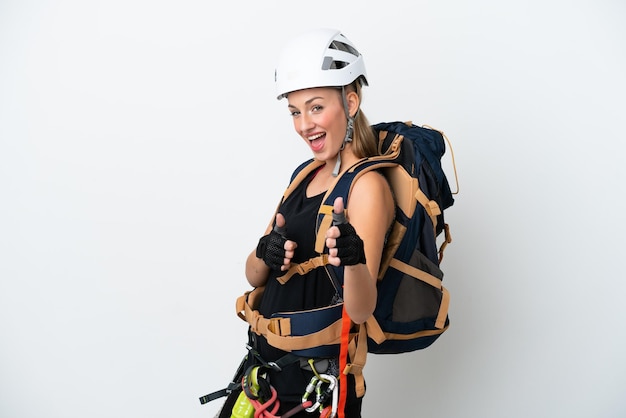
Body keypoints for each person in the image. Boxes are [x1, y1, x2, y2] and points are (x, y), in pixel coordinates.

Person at [236, 28, 395, 418]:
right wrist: (265, 251)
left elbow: (361, 311)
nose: (304, 124)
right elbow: (253, 275)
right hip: (261, 376)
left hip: (315, 391)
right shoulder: (303, 174)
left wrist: (354, 260)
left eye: (316, 107)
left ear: (351, 101)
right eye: (295, 111)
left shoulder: (367, 187)